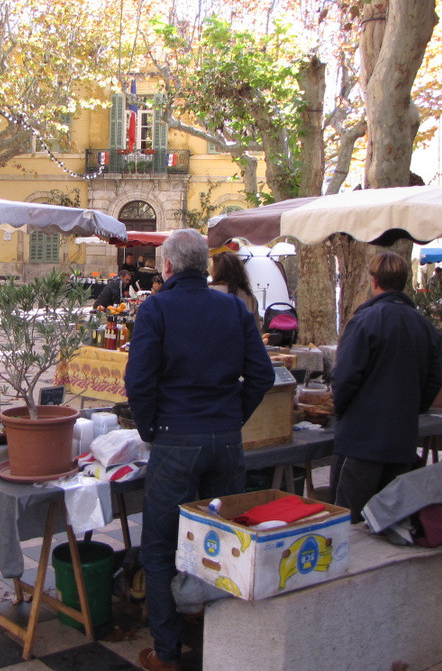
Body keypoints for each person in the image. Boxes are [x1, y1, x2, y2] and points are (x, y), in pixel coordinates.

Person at [124, 229, 274, 671]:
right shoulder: (232, 307)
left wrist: (152, 428)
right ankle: (219, 646)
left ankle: (167, 653)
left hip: (176, 439)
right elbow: (261, 376)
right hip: (225, 440)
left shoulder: (157, 308)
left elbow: (138, 381)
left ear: (167, 266)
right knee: (224, 543)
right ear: (204, 266)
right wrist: (231, 420)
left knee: (159, 547)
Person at [329, 251, 442, 523]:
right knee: (389, 520)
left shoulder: (366, 321)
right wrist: (408, 410)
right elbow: (433, 384)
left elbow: (344, 378)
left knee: (348, 520)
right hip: (401, 439)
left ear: (373, 280)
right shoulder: (425, 326)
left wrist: (341, 410)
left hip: (361, 441)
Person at [210, 250, 263, 332]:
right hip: (241, 343)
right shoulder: (250, 297)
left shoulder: (210, 291)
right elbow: (256, 332)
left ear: (216, 271)